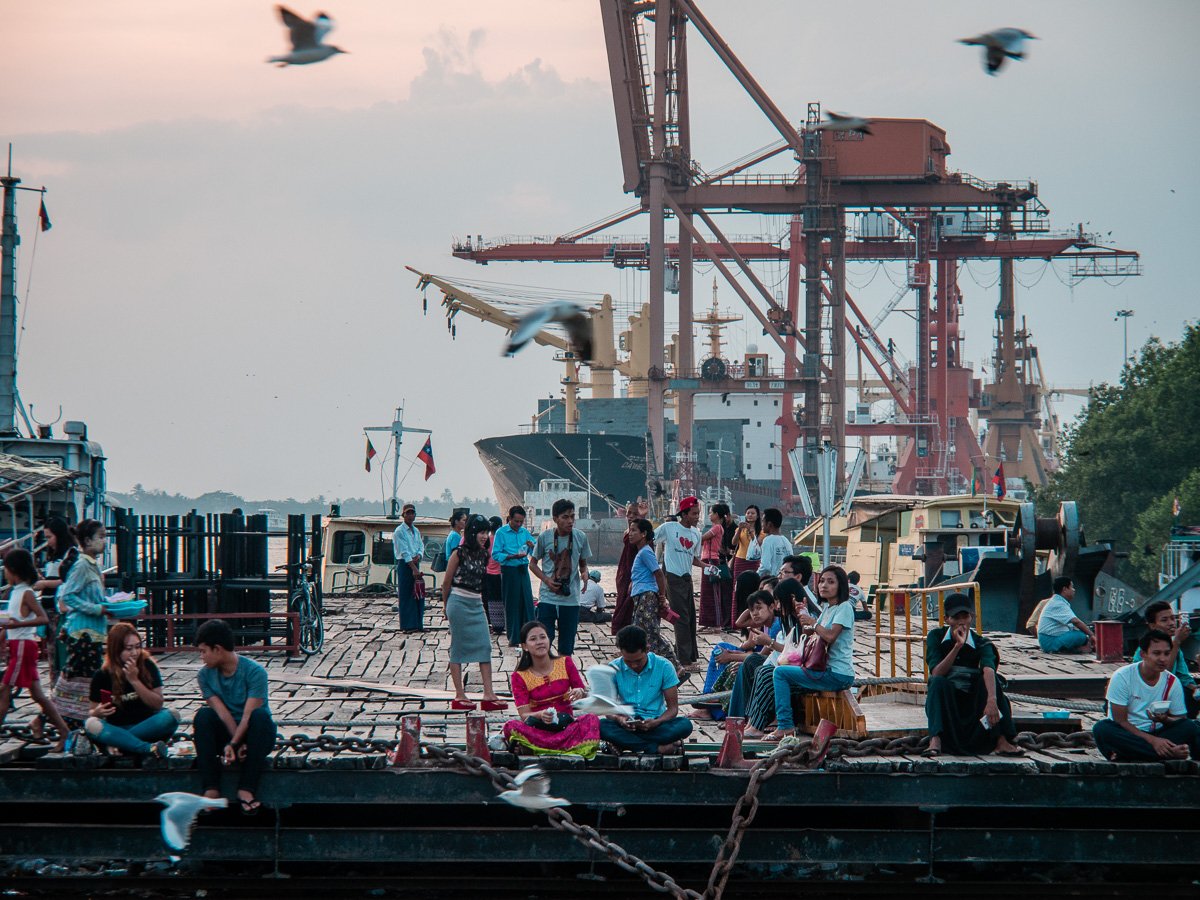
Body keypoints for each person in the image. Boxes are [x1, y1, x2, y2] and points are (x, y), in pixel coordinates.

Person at [765, 565, 859, 742]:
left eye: (831, 582)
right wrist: (803, 614)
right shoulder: (828, 608)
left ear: (841, 586)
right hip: (822, 670)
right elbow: (812, 636)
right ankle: (779, 719)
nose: (824, 585)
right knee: (778, 671)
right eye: (822, 581)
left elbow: (830, 636)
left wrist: (813, 623)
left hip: (837, 673)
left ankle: (785, 725)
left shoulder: (844, 608)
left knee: (780, 673)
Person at [923, 592, 1023, 757]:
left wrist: (992, 700)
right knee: (937, 682)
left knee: (990, 682)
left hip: (973, 703)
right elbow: (937, 672)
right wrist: (957, 647)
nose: (961, 622)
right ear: (947, 619)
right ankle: (935, 739)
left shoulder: (981, 642)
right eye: (956, 618)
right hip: (949, 702)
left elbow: (988, 668)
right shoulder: (936, 637)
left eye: (965, 616)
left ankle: (1001, 740)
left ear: (971, 618)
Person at [194, 619, 278, 815]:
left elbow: (248, 715)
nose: (202, 657)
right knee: (203, 716)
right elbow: (222, 713)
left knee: (260, 717)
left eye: (204, 651)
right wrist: (234, 743)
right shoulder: (205, 676)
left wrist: (235, 744)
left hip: (255, 734)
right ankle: (211, 787)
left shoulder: (255, 672)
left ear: (218, 649)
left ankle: (246, 789)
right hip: (230, 733)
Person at [0, 549, 71, 749]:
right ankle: (65, 731)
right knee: (37, 694)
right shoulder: (14, 593)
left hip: (24, 646)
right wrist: (5, 634)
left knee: (4, 689)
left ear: (13, 570)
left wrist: (14, 626)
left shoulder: (27, 593)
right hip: (18, 645)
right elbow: (12, 620)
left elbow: (42, 618)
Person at [1092, 630, 1200, 761]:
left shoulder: (1172, 681)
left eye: (1167, 654)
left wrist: (1165, 720)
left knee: (1190, 727)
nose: (1163, 659)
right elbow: (1121, 721)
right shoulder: (1123, 676)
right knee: (1102, 729)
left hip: (1159, 733)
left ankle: (1131, 755)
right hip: (1130, 733)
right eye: (1156, 653)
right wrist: (1154, 741)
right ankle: (1167, 754)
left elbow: (1180, 719)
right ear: (1143, 654)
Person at [502, 621, 601, 758]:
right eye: (533, 639)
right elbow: (524, 715)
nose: (539, 642)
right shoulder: (519, 676)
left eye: (543, 637)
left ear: (549, 640)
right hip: (539, 729)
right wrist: (540, 714)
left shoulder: (566, 662)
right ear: (524, 646)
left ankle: (538, 748)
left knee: (591, 719)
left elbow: (583, 693)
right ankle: (565, 747)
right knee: (510, 726)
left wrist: (580, 692)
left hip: (566, 728)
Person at [84, 621, 179, 757]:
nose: (135, 653)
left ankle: (122, 745)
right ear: (116, 650)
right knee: (91, 723)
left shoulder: (147, 665)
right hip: (116, 728)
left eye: (137, 647)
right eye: (129, 649)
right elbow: (92, 711)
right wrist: (97, 712)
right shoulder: (102, 675)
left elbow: (158, 704)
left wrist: (135, 681)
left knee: (172, 715)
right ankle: (146, 748)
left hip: (147, 726)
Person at [441, 515, 506, 711]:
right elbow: (446, 583)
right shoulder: (458, 554)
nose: (485, 536)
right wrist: (446, 607)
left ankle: (488, 694)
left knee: (485, 646)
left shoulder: (485, 555)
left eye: (487, 532)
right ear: (472, 533)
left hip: (476, 603)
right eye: (481, 532)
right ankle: (459, 695)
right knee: (458, 648)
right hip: (458, 602)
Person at [51, 519, 111, 728]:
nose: (105, 541)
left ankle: (83, 720)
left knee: (83, 680)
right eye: (101, 537)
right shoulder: (82, 565)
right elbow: (68, 596)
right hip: (81, 634)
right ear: (87, 540)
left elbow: (92, 598)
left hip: (93, 632)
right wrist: (96, 609)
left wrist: (110, 605)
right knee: (78, 680)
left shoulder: (93, 566)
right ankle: (55, 719)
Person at [599, 625, 694, 754]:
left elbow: (673, 709)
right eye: (628, 661)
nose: (633, 665)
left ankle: (626, 744)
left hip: (656, 725)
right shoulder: (613, 668)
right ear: (620, 652)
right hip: (626, 726)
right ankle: (656, 748)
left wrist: (656, 722)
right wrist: (619, 719)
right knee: (600, 726)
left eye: (638, 661)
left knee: (685, 725)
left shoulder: (664, 666)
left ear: (647, 649)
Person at [694, 589, 780, 721]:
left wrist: (732, 656)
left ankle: (719, 705)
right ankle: (711, 696)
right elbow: (739, 624)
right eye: (752, 610)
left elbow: (762, 657)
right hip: (756, 656)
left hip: (766, 662)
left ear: (773, 606)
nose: (755, 613)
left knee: (736, 666)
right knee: (722, 649)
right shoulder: (763, 624)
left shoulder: (775, 625)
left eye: (759, 608)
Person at [742, 579, 808, 737]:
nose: (777, 606)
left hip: (804, 669)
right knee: (760, 670)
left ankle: (758, 726)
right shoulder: (789, 619)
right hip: (790, 665)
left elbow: (799, 652)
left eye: (779, 601)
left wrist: (769, 642)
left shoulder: (803, 618)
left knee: (767, 674)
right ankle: (752, 721)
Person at [529, 499, 591, 656]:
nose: (570, 521)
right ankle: (545, 676)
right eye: (565, 517)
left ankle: (562, 677)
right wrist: (547, 580)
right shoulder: (544, 537)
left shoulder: (581, 537)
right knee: (543, 643)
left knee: (567, 645)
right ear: (555, 519)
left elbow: (583, 563)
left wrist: (584, 573)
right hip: (547, 598)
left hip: (571, 599)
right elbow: (533, 564)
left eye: (572, 516)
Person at [654, 496, 704, 666]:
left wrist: (707, 567)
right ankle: (684, 659)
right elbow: (650, 539)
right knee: (681, 618)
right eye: (694, 513)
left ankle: (688, 655)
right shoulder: (669, 528)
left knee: (690, 617)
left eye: (698, 513)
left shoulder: (696, 533)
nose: (697, 517)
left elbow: (694, 558)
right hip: (672, 576)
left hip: (687, 578)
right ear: (684, 514)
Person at [627, 518, 681, 671]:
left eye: (634, 531)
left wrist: (662, 597)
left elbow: (658, 574)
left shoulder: (645, 552)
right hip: (641, 595)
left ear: (643, 534)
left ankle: (675, 666)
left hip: (647, 597)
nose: (630, 534)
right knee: (644, 632)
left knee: (650, 633)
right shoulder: (642, 551)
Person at [1133, 602, 1198, 718]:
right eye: (1164, 620)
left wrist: (1195, 689)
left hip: (1170, 692)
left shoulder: (1174, 647)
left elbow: (1182, 676)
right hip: (1149, 695)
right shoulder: (1145, 650)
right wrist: (1177, 642)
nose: (1171, 623)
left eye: (1173, 619)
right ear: (1152, 625)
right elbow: (1162, 676)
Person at [492, 506, 536, 647]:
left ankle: (530, 634)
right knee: (512, 604)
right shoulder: (501, 532)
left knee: (527, 602)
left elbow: (534, 550)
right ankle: (514, 636)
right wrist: (510, 557)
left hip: (523, 569)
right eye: (516, 521)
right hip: (509, 570)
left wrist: (532, 546)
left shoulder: (524, 532)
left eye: (521, 522)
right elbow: (495, 554)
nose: (518, 524)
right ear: (509, 519)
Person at [610, 501, 644, 636]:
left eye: (634, 514)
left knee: (629, 609)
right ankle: (622, 639)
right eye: (629, 513)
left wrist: (635, 578)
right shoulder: (629, 531)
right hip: (624, 572)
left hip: (633, 574)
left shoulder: (642, 535)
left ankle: (627, 639)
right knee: (621, 604)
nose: (630, 516)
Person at [699, 503, 734, 631]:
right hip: (707, 559)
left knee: (712, 592)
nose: (709, 515)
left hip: (711, 560)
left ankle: (716, 623)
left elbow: (702, 538)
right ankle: (708, 622)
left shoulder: (717, 528)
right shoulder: (717, 527)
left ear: (717, 515)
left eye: (711, 512)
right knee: (706, 592)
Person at [1036, 576, 1095, 653]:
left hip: (1049, 640)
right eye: (1072, 587)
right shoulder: (1058, 604)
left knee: (1079, 635)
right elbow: (1076, 621)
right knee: (1081, 637)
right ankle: (1080, 649)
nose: (1074, 590)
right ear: (1064, 589)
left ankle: (1079, 649)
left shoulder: (1057, 602)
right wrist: (1091, 634)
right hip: (1050, 642)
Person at [392, 503, 425, 632]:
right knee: (406, 594)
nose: (410, 516)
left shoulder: (416, 530)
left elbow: (421, 545)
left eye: (412, 513)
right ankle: (408, 625)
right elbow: (404, 552)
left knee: (418, 594)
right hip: (406, 565)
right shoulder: (399, 531)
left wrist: (419, 555)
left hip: (415, 562)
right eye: (408, 513)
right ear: (403, 515)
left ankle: (417, 624)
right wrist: (413, 568)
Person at [483, 516, 505, 635]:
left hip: (489, 573)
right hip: (501, 573)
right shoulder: (501, 539)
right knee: (502, 600)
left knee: (491, 600)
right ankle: (502, 624)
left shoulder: (486, 540)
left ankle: (494, 624)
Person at [756, 508, 791, 577]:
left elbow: (765, 566)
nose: (761, 524)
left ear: (769, 524)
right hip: (785, 578)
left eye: (763, 521)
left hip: (773, 579)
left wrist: (756, 576)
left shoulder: (768, 540)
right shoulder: (786, 541)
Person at [731, 505, 762, 582]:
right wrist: (739, 530)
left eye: (752, 513)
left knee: (753, 583)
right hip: (740, 559)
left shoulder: (761, 531)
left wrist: (750, 531)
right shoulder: (739, 529)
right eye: (748, 513)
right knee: (738, 583)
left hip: (754, 561)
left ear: (757, 516)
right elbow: (734, 543)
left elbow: (758, 544)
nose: (750, 515)